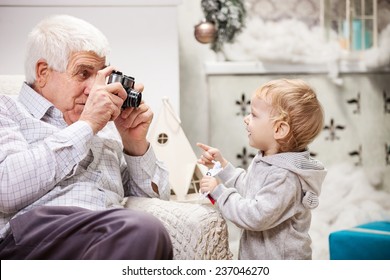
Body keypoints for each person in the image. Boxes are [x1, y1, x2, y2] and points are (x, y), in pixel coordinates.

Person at [0, 15, 173, 260]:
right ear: (42, 73)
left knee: (143, 231)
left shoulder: (105, 127)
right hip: (32, 238)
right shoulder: (7, 110)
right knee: (142, 230)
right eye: (83, 74)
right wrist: (87, 125)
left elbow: (155, 201)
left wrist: (134, 144)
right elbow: (5, 189)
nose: (94, 89)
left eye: (100, 74)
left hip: (106, 235)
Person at [197, 79, 327, 260]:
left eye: (254, 115)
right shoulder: (267, 159)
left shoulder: (284, 177)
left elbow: (255, 216)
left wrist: (219, 193)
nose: (246, 118)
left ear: (279, 129)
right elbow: (249, 188)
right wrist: (222, 166)